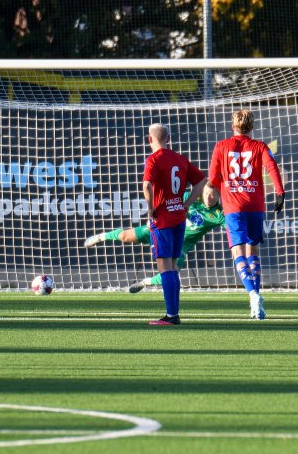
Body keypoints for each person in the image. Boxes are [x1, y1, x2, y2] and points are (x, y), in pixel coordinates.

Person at [203, 108, 284, 320]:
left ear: (233, 126)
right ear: (252, 126)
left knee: (237, 252)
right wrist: (280, 192)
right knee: (253, 251)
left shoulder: (221, 146)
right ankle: (256, 301)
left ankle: (253, 294)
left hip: (234, 206)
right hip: (255, 206)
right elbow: (272, 167)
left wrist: (216, 187)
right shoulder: (259, 146)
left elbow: (212, 178)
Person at [84, 190, 225, 293]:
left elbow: (233, 228)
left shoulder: (219, 215)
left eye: (213, 194)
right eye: (206, 193)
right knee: (126, 236)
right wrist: (154, 217)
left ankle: (146, 282)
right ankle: (101, 237)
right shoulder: (191, 198)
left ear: (219, 195)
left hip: (180, 245)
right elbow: (168, 204)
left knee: (170, 275)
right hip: (163, 230)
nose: (209, 197)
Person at [142, 123, 206, 325]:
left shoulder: (153, 159)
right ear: (168, 139)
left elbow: (146, 185)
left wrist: (150, 208)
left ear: (149, 139)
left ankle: (171, 316)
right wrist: (186, 204)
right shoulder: (180, 159)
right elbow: (202, 181)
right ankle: (173, 314)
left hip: (162, 219)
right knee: (172, 267)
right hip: (179, 217)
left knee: (165, 267)